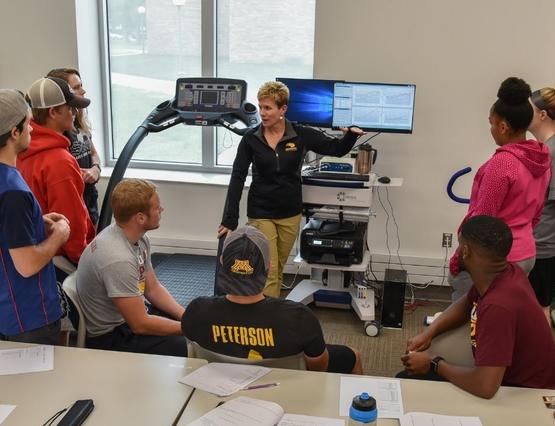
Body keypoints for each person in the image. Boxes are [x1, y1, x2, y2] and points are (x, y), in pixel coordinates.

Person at [219, 81, 365, 298]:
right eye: (261, 107)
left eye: (268, 108)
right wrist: (229, 219)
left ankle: (271, 312)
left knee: (278, 267)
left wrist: (351, 135)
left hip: (290, 212)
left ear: (283, 109)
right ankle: (268, 319)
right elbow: (237, 177)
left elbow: (335, 148)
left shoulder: (300, 134)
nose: (262, 113)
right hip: (261, 212)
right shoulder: (251, 138)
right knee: (269, 269)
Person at [399, 216, 555, 398]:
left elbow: (485, 388)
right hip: (511, 379)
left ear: (466, 251)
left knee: (409, 385)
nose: (457, 251)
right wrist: (429, 332)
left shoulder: (498, 307)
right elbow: (467, 302)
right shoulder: (504, 273)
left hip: (523, 396)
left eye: (459, 245)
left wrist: (434, 364)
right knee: (413, 373)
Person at [182, 225, 363, 374]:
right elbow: (318, 368)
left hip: (219, 389)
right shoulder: (299, 318)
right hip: (283, 393)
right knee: (354, 356)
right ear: (269, 267)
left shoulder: (197, 311)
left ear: (222, 261)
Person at [449, 77, 551, 300]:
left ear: (503, 126)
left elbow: (483, 221)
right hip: (525, 253)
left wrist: (459, 258)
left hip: (494, 260)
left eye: (491, 123)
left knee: (471, 323)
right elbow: (536, 214)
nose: (491, 129)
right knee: (501, 317)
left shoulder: (503, 163)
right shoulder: (541, 157)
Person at [76, 179, 187, 357]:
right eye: (157, 208)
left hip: (129, 318)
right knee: (183, 344)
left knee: (182, 320)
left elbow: (153, 288)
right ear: (141, 218)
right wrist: (190, 329)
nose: (162, 210)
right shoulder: (118, 259)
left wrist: (187, 317)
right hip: (111, 337)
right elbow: (140, 324)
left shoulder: (138, 238)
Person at [0, 89, 70, 344]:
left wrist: (35, 222)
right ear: (14, 132)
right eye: (27, 124)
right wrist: (59, 236)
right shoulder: (12, 192)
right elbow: (27, 265)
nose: (32, 129)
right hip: (27, 317)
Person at [17, 77, 95, 280]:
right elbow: (70, 220)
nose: (74, 112)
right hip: (61, 260)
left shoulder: (19, 149)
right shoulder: (59, 161)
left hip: (33, 253)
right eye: (70, 107)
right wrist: (84, 262)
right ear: (53, 112)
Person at [527, 78, 555, 324]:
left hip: (547, 247)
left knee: (539, 308)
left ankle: (539, 361)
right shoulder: (540, 146)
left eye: (529, 109)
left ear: (542, 115)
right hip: (532, 240)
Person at [47, 68, 101, 227]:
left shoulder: (79, 122)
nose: (83, 91)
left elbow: (93, 152)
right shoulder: (59, 131)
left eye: (81, 85)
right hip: (73, 205)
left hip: (90, 199)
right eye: (77, 87)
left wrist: (95, 169)